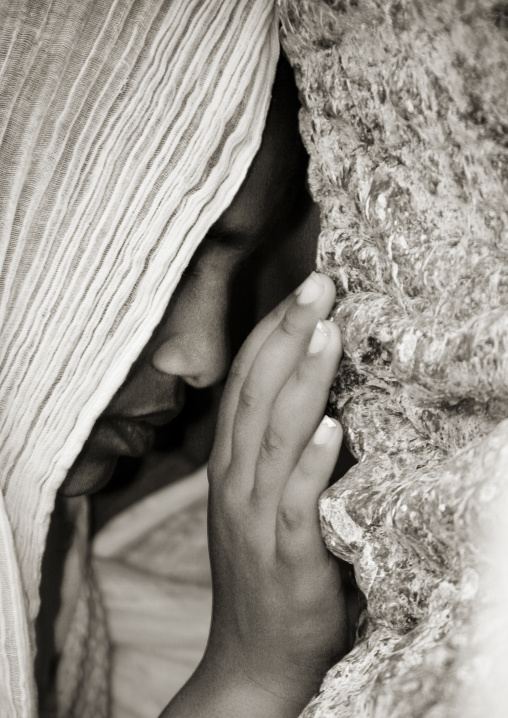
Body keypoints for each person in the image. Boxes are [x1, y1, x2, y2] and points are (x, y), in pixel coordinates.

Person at [0, 1, 354, 716]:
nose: (205, 359)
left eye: (234, 269)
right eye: (164, 265)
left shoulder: (45, 542)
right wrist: (251, 673)